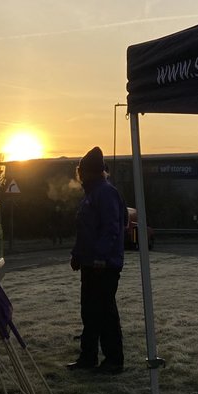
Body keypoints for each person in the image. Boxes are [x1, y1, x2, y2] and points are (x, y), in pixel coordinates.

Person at [67, 146, 126, 374]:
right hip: (91, 264)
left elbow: (111, 228)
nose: (79, 174)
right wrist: (77, 255)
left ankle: (113, 360)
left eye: (81, 170)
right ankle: (88, 357)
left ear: (89, 171)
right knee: (90, 312)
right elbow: (86, 232)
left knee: (104, 313)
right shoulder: (91, 195)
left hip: (104, 266)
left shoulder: (105, 193)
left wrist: (101, 257)